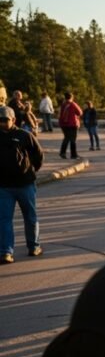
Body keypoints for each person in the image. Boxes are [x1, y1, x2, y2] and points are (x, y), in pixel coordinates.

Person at [0, 106, 44, 264]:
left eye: (5, 120)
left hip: (25, 184)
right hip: (4, 186)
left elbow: (38, 155)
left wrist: (31, 170)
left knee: (30, 217)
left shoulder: (24, 135)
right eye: (0, 120)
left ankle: (34, 246)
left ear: (13, 120)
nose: (2, 123)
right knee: (4, 219)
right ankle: (6, 252)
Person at [58, 92, 83, 160]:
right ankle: (73, 154)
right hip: (72, 124)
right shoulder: (73, 104)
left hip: (63, 124)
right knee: (73, 140)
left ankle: (62, 152)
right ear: (72, 97)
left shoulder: (63, 105)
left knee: (66, 138)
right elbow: (80, 112)